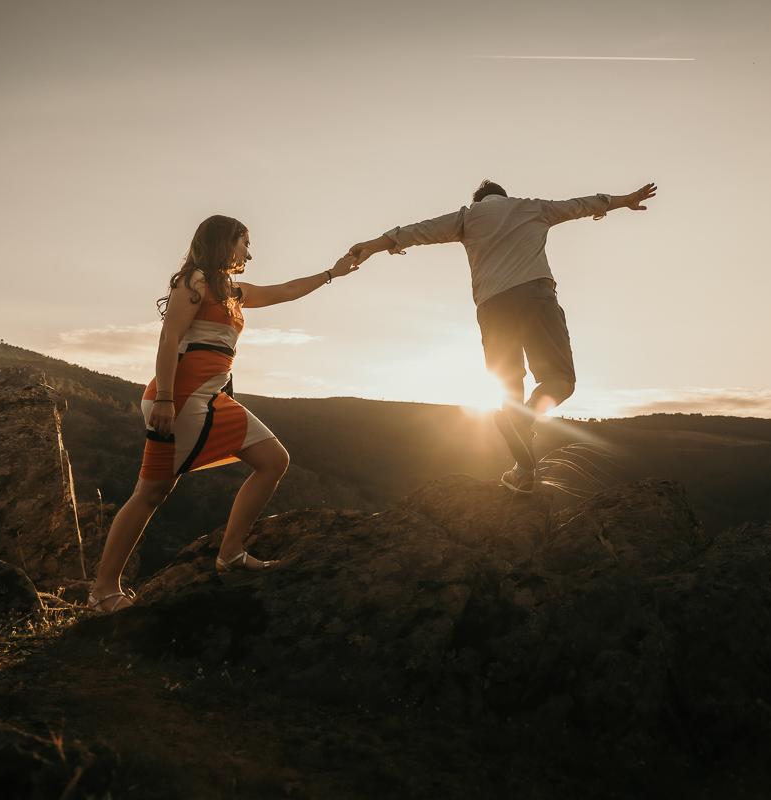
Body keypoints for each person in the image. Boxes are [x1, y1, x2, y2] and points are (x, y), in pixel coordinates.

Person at [87, 215, 358, 612]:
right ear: (225, 243)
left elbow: (285, 290)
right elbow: (169, 339)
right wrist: (165, 399)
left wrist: (333, 273)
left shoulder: (231, 290)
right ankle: (102, 592)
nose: (249, 253)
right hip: (181, 397)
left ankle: (230, 553)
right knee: (150, 494)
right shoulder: (193, 281)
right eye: (245, 243)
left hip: (212, 399)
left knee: (273, 460)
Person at [347, 179, 657, 493]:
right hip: (536, 297)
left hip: (492, 306)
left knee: (509, 385)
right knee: (559, 380)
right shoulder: (533, 208)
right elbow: (581, 205)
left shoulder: (467, 217)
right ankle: (523, 429)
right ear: (504, 196)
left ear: (479, 201)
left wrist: (371, 245)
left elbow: (419, 230)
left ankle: (523, 471)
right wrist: (625, 200)